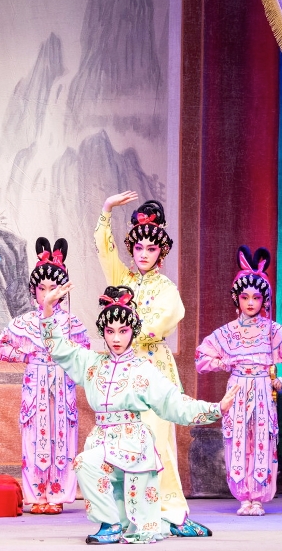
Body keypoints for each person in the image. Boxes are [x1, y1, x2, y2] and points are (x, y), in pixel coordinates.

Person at [39, 281, 237, 545]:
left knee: (140, 520)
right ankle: (109, 524)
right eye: (110, 331)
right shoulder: (91, 364)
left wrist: (215, 408)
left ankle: (165, 522)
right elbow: (59, 348)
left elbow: (174, 403)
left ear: (132, 331)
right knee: (85, 463)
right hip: (102, 442)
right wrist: (48, 308)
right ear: (103, 332)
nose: (116, 339)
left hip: (134, 447)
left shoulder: (144, 370)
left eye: (123, 331)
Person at [93, 192, 208, 536]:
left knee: (157, 441)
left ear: (161, 252)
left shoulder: (167, 289)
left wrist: (124, 330)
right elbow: (105, 251)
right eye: (139, 248)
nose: (143, 254)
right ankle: (119, 515)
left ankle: (172, 513)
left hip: (152, 370)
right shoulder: (122, 278)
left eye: (151, 248)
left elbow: (161, 323)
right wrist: (106, 210)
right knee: (118, 442)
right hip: (121, 372)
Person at [194, 246, 282, 515]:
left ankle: (257, 497)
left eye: (256, 297)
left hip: (261, 387)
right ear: (237, 299)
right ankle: (242, 496)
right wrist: (223, 363)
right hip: (237, 388)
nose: (250, 303)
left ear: (264, 300)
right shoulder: (227, 332)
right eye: (245, 297)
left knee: (261, 439)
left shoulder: (273, 331)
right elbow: (201, 357)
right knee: (236, 439)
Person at [0, 236, 90, 514]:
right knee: (34, 436)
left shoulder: (71, 323)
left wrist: (66, 361)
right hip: (35, 384)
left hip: (62, 384)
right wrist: (27, 356)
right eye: (41, 288)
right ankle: (36, 495)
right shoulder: (23, 322)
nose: (47, 294)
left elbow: (84, 354)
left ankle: (57, 495)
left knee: (62, 435)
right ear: (33, 290)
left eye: (53, 288)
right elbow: (0, 346)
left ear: (62, 290)